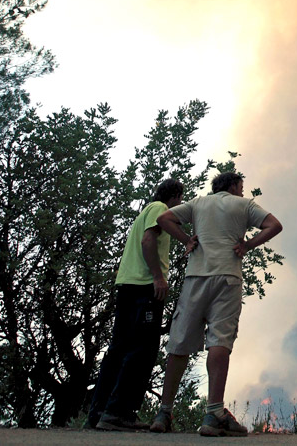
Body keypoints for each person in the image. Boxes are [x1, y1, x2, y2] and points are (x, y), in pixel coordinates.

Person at [149, 171, 283, 436]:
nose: (243, 193)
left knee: (180, 341)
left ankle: (164, 413)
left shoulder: (198, 203)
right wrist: (248, 245)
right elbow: (275, 225)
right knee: (220, 340)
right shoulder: (243, 205)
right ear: (233, 186)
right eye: (241, 187)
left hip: (196, 277)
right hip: (228, 278)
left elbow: (164, 218)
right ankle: (213, 414)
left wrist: (187, 239)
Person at [89, 179, 196, 431]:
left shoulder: (146, 210)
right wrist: (158, 277)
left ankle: (99, 412)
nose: (180, 205)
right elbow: (149, 241)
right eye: (181, 199)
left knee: (118, 349)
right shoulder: (159, 208)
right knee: (142, 350)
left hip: (127, 286)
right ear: (175, 196)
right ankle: (119, 412)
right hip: (144, 288)